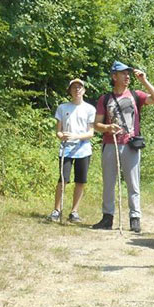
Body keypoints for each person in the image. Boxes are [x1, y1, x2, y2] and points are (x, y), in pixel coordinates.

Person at [92, 61, 154, 233]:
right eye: (123, 73)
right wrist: (108, 128)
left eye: (128, 74)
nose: (127, 77)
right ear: (114, 76)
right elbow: (96, 124)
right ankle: (107, 217)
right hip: (110, 144)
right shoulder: (105, 99)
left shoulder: (135, 95)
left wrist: (145, 81)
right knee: (109, 183)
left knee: (133, 183)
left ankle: (135, 218)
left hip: (130, 145)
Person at [48, 78, 96, 223]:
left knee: (80, 181)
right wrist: (61, 136)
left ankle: (74, 211)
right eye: (74, 87)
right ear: (70, 90)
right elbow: (58, 131)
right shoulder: (63, 108)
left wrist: (77, 136)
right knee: (63, 179)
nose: (77, 90)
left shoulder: (90, 109)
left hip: (83, 150)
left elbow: (91, 133)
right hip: (66, 150)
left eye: (79, 87)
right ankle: (56, 210)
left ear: (84, 90)